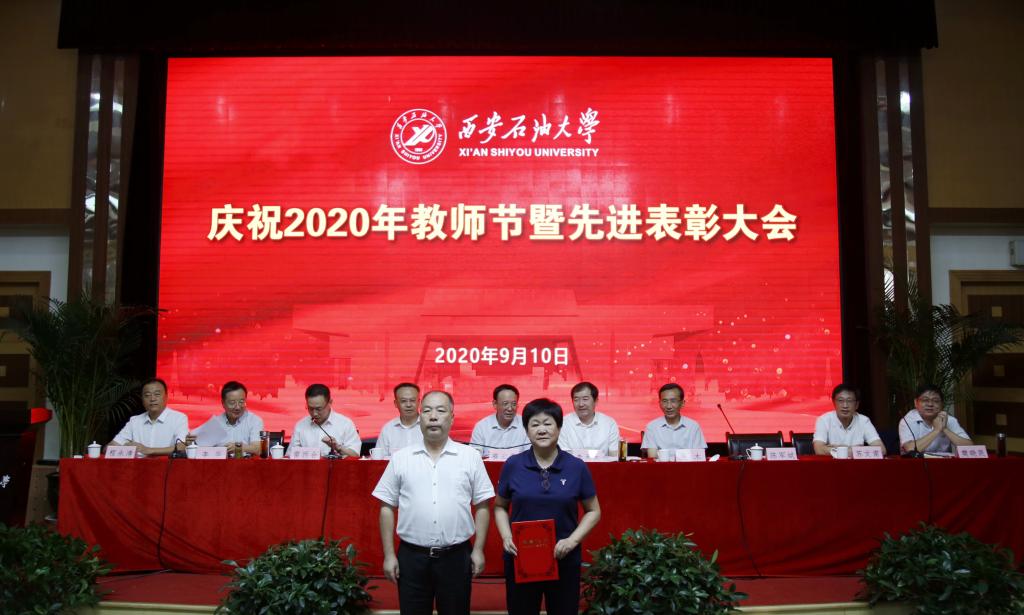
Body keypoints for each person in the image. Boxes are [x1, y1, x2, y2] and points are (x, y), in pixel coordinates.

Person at [372, 390, 494, 615]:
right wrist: (389, 555)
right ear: (420, 417)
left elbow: (483, 506)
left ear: (452, 417)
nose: (433, 416)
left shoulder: (470, 457)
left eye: (440, 410)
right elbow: (386, 507)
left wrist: (478, 550)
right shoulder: (401, 458)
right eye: (427, 411)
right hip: (412, 557)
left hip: (456, 556)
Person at [494, 398, 601, 615]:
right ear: (526, 430)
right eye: (534, 424)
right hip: (521, 558)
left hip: (564, 557)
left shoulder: (576, 466)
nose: (541, 430)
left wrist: (572, 541)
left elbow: (594, 511)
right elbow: (500, 507)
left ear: (559, 427)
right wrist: (506, 536)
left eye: (548, 423)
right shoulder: (513, 465)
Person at [109, 378, 189, 456]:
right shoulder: (134, 421)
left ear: (166, 397)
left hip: (166, 464)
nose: (152, 399)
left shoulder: (179, 418)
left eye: (157, 394)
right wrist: (125, 448)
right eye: (147, 395)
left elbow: (182, 447)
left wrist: (148, 450)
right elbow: (110, 447)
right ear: (142, 400)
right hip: (137, 464)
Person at [287, 383, 361, 458]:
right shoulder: (301, 425)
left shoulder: (345, 424)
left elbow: (355, 455)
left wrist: (338, 448)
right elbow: (289, 456)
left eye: (318, 409)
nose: (314, 413)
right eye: (310, 408)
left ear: (330, 402)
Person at [192, 381, 265, 454]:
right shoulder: (216, 423)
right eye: (232, 403)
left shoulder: (254, 421)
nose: (237, 407)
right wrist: (190, 442)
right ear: (223, 403)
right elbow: (198, 448)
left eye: (241, 402)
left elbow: (257, 449)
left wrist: (238, 447)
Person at [812, 384, 885, 455]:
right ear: (834, 402)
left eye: (849, 401)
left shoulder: (864, 421)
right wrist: (856, 450)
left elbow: (882, 450)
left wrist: (836, 449)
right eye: (840, 400)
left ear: (856, 405)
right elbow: (819, 450)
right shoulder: (824, 420)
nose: (845, 405)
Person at [899, 384, 973, 454]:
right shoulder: (908, 420)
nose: (930, 404)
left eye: (936, 401)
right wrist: (936, 430)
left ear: (942, 404)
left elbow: (970, 447)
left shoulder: (949, 420)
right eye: (925, 400)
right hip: (916, 462)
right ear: (916, 403)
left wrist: (944, 429)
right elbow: (910, 449)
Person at [640, 383, 706, 457]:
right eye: (664, 401)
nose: (669, 406)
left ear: (682, 403)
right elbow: (652, 457)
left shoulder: (693, 426)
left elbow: (698, 457)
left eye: (673, 401)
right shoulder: (652, 427)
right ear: (659, 403)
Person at [557, 382, 620, 455]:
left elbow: (614, 455)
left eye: (585, 399)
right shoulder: (563, 424)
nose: (581, 404)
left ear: (596, 401)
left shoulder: (609, 423)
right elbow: (563, 456)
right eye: (576, 399)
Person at [470, 384, 530, 456]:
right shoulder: (482, 427)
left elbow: (530, 454)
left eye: (514, 404)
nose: (510, 408)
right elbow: (474, 456)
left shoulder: (525, 425)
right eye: (505, 404)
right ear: (495, 404)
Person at [376, 382, 423, 456]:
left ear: (419, 402)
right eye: (403, 401)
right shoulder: (388, 429)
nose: (408, 405)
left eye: (412, 400)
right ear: (396, 404)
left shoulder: (429, 426)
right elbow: (380, 458)